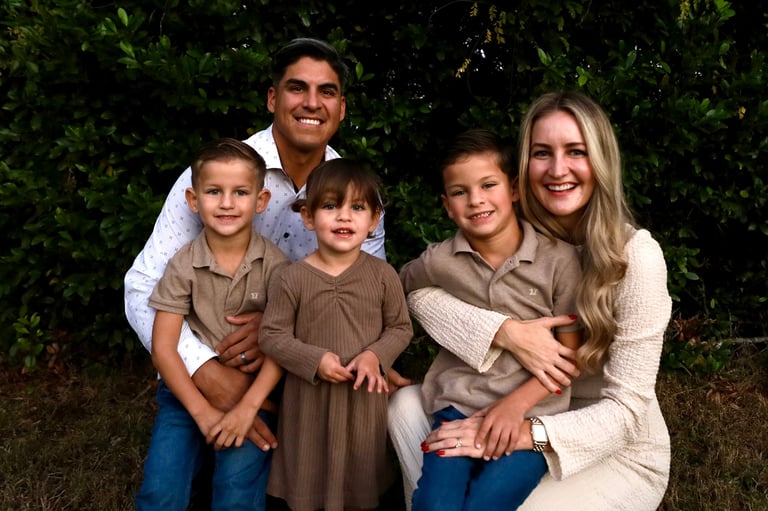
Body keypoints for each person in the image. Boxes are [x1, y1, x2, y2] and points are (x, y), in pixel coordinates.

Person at [124, 38, 387, 506]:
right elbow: (143, 284)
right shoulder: (219, 174)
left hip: (291, 358)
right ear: (272, 98)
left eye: (326, 91)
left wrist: (278, 330)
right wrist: (204, 370)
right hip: (202, 353)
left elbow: (367, 296)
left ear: (341, 108)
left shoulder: (352, 195)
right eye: (296, 88)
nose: (311, 102)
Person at [389, 92, 672, 510]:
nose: (558, 169)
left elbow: (626, 413)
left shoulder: (636, 257)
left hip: (607, 443)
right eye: (543, 153)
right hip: (507, 403)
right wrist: (503, 332)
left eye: (576, 151)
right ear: (523, 169)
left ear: (600, 159)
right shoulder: (510, 233)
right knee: (404, 406)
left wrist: (519, 427)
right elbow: (415, 289)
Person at [400, 130, 582, 510]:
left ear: (514, 189)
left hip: (530, 416)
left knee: (487, 502)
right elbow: (396, 289)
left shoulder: (559, 261)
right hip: (457, 405)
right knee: (435, 504)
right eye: (460, 192)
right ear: (447, 205)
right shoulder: (439, 261)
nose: (476, 200)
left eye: (488, 185)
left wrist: (516, 406)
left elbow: (571, 355)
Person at [137, 138, 288, 510]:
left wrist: (248, 407)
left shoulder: (277, 267)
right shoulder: (182, 264)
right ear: (192, 200)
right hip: (184, 393)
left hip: (255, 394)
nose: (226, 203)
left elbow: (284, 344)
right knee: (161, 491)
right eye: (214, 191)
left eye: (240, 192)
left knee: (237, 494)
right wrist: (202, 412)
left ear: (261, 201)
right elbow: (164, 348)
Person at [258, 158, 413, 511]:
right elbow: (272, 334)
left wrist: (375, 356)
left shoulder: (382, 275)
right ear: (309, 217)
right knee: (309, 471)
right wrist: (315, 360)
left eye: (357, 207)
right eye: (331, 206)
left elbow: (400, 327)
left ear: (374, 219)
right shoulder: (291, 277)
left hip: (362, 398)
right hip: (309, 401)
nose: (344, 216)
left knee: (360, 476)